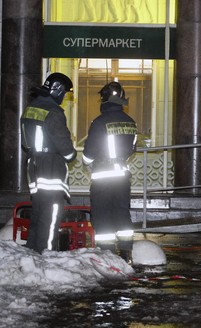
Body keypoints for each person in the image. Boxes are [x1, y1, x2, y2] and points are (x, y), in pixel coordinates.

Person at [20, 72, 76, 253]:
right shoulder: (54, 112)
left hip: (34, 165)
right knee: (51, 213)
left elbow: (24, 142)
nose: (64, 97)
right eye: (64, 93)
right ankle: (47, 254)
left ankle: (33, 250)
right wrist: (71, 154)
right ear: (57, 90)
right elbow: (65, 147)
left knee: (38, 211)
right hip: (51, 167)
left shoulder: (30, 107)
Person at [82, 81, 138, 262]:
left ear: (105, 99)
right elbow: (131, 150)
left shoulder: (99, 122)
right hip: (122, 175)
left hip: (103, 177)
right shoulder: (131, 122)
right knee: (122, 212)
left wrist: (88, 163)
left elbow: (89, 153)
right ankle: (126, 252)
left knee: (102, 213)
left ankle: (106, 253)